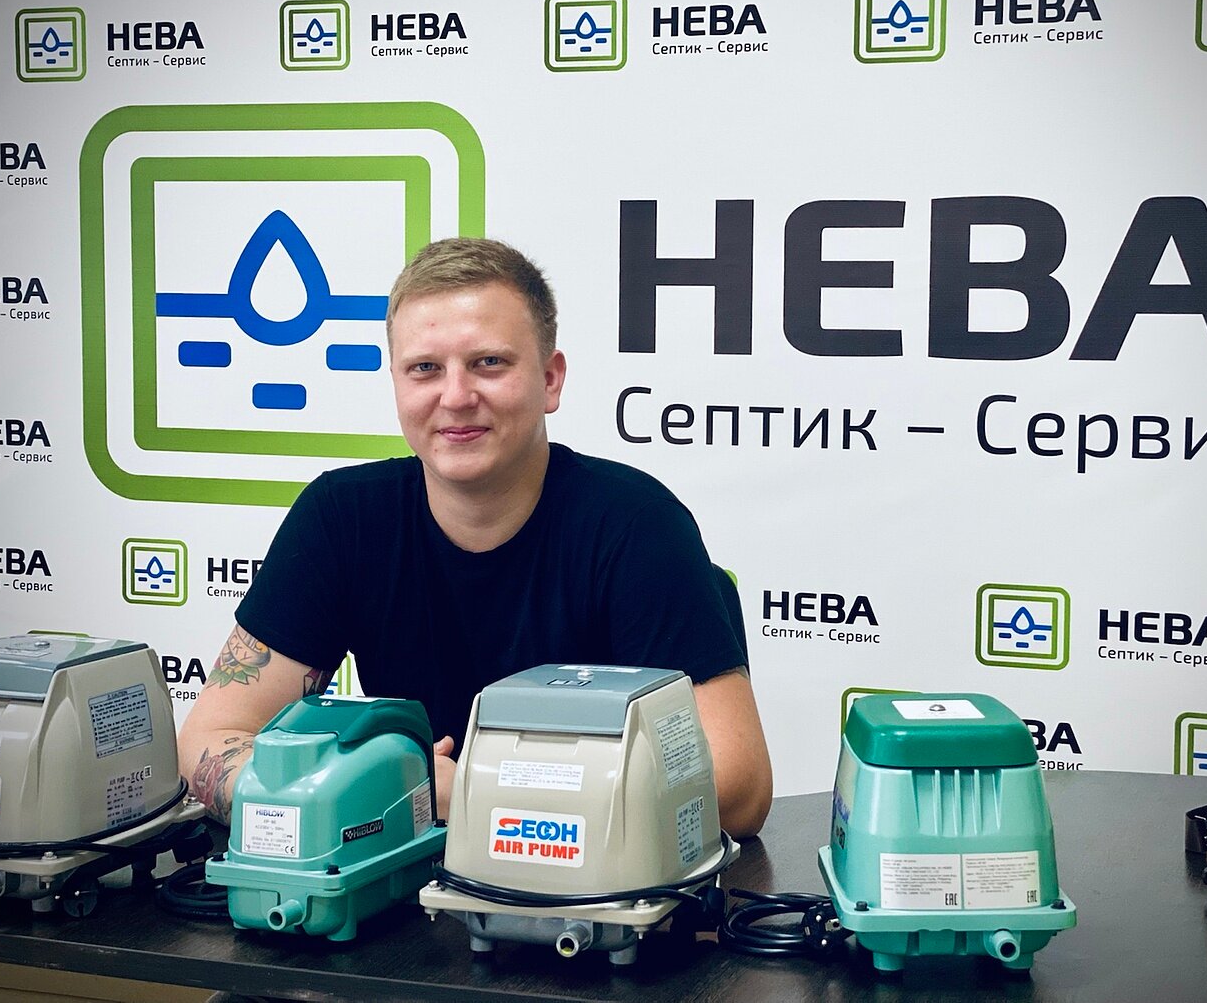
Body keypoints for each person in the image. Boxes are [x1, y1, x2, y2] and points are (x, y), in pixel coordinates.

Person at [177, 238, 773, 838]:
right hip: (408, 879)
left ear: (550, 380)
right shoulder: (342, 517)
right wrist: (367, 786)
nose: (456, 397)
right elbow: (210, 741)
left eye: (489, 363)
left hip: (586, 885)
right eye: (425, 369)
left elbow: (738, 788)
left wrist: (470, 792)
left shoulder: (637, 524)